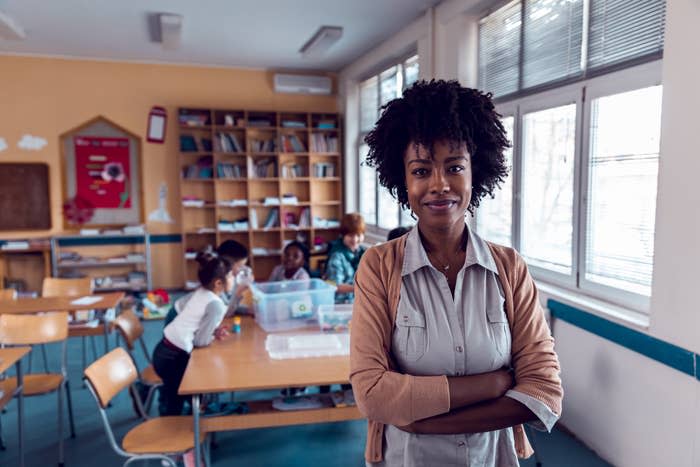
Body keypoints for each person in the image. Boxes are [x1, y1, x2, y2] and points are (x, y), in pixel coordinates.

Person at [350, 80, 563, 466]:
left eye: (454, 167)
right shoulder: (378, 267)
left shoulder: (509, 267)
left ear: (474, 173)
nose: (439, 184)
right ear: (404, 180)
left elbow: (544, 392)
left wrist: (422, 421)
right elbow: (372, 394)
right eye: (421, 170)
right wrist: (494, 383)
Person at [153, 250, 232, 416]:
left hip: (163, 351)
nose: (234, 279)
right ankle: (176, 432)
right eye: (231, 276)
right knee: (182, 399)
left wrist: (212, 331)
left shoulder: (202, 292)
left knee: (180, 396)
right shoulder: (216, 305)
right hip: (173, 359)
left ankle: (182, 415)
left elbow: (195, 323)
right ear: (218, 283)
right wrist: (211, 335)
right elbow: (200, 341)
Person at [164, 240, 251, 326]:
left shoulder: (228, 279)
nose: (243, 269)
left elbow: (227, 304)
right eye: (240, 266)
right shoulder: (216, 283)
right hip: (177, 318)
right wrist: (238, 293)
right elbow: (226, 313)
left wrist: (247, 310)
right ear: (228, 264)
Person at [325, 213, 367, 304]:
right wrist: (362, 289)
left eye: (359, 235)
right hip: (341, 303)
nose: (355, 240)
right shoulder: (336, 255)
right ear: (343, 235)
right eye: (351, 235)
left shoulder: (363, 252)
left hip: (358, 301)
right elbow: (335, 285)